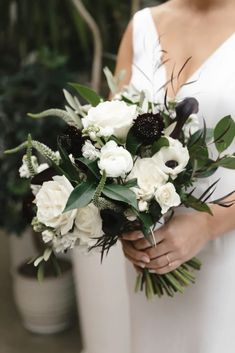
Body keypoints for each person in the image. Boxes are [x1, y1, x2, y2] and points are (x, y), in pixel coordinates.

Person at [114, 1, 235, 352]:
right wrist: (120, 218)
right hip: (152, 261)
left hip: (228, 258)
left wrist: (207, 225)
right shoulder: (142, 27)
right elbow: (108, 140)